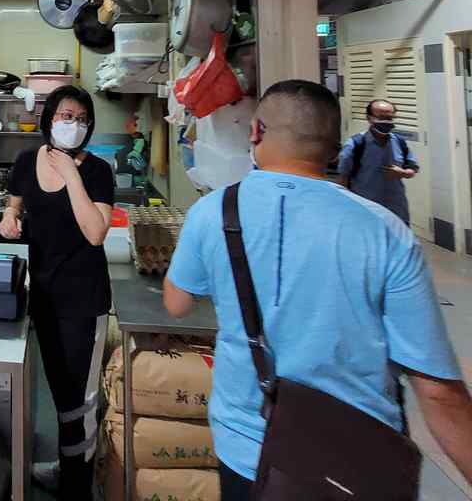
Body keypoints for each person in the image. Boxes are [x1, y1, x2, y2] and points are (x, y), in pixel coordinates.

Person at [163, 80, 472, 500]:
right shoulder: (385, 230)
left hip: (249, 447)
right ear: (333, 147)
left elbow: (177, 303)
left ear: (255, 132)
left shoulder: (215, 210)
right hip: (359, 455)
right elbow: (437, 390)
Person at [0, 85, 114, 500]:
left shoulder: (97, 170)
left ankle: (77, 489)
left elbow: (96, 232)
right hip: (43, 296)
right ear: (49, 119)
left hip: (83, 301)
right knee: (60, 390)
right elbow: (15, 203)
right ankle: (67, 470)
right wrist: (10, 219)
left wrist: (71, 175)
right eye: (67, 116)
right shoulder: (28, 160)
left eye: (82, 119)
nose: (74, 125)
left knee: (79, 403)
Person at [338, 98, 419, 225]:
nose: (386, 122)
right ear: (369, 118)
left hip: (396, 209)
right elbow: (343, 179)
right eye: (381, 117)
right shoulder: (356, 144)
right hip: (365, 209)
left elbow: (412, 168)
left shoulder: (399, 142)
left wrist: (402, 173)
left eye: (389, 118)